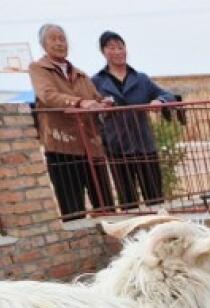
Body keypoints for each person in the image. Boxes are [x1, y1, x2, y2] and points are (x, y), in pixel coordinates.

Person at [29, 23, 115, 218]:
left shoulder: (80, 74)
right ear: (43, 44)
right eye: (54, 39)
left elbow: (95, 98)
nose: (59, 43)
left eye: (62, 39)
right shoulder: (39, 69)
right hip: (63, 148)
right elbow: (48, 95)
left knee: (106, 205)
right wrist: (80, 103)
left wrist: (104, 104)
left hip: (91, 146)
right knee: (73, 209)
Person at [91, 31, 177, 208]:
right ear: (103, 52)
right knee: (128, 201)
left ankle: (159, 230)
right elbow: (90, 109)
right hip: (117, 147)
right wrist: (100, 108)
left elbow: (168, 95)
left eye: (120, 47)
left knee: (155, 198)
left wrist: (159, 101)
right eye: (111, 47)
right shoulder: (96, 81)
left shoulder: (141, 78)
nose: (117, 51)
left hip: (144, 145)